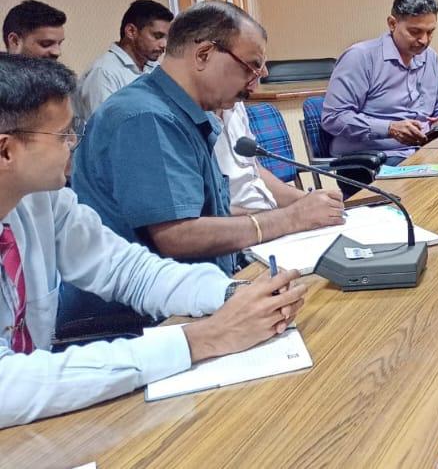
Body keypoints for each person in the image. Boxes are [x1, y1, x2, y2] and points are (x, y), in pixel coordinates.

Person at [0, 53, 307, 428]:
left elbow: (127, 269)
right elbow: (7, 387)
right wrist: (201, 339)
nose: (74, 142)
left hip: (40, 422)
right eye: (63, 134)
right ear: (6, 150)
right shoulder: (138, 117)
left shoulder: (41, 199)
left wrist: (230, 294)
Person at [65, 1, 342, 329]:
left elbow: (204, 210)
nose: (254, 83)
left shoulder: (181, 110)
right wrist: (291, 218)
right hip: (144, 320)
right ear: (204, 54)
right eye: (250, 68)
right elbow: (179, 235)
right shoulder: (146, 117)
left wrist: (295, 213)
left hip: (192, 292)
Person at [322, 0, 438, 163]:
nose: (424, 40)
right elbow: (333, 118)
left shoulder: (429, 57)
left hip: (424, 151)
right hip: (373, 158)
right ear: (392, 24)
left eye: (430, 32)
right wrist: (389, 128)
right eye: (415, 32)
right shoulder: (361, 57)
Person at [214, 101, 326, 214]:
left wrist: (310, 199)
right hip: (248, 221)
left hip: (271, 212)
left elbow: (256, 171)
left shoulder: (236, 105)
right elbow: (210, 215)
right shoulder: (203, 127)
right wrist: (283, 216)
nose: (253, 91)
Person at [76, 0, 174, 119]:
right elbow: (104, 126)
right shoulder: (104, 73)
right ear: (131, 31)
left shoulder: (155, 68)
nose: (164, 44)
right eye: (157, 36)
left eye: (166, 38)